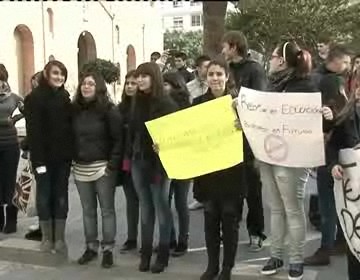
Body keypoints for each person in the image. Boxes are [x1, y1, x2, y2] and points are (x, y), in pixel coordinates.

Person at [258, 41, 318, 280]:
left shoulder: (304, 87)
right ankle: (276, 256)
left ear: (281, 61)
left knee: (292, 209)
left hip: (293, 157)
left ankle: (295, 259)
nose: (270, 60)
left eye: (272, 56)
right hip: (268, 154)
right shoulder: (273, 86)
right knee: (276, 209)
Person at [192, 58, 243, 280]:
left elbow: (253, 137)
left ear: (227, 76)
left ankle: (227, 268)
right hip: (208, 172)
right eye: (211, 74)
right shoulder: (196, 104)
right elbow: (188, 136)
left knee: (230, 222)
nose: (214, 78)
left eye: (219, 74)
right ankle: (212, 266)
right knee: (210, 221)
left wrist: (244, 126)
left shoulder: (238, 104)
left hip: (233, 172)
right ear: (206, 77)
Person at [127, 62, 178, 273]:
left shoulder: (166, 104)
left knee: (162, 208)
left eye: (144, 76)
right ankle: (146, 253)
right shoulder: (136, 102)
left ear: (154, 78)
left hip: (160, 165)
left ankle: (163, 255)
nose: (139, 80)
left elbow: (175, 136)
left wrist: (163, 145)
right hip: (139, 161)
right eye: (138, 76)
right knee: (145, 209)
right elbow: (134, 132)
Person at [305, 45, 352, 266]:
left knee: (328, 202)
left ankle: (327, 247)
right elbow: (339, 115)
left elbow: (334, 117)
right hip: (337, 148)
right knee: (335, 200)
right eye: (347, 62)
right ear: (336, 61)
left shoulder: (324, 80)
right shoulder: (333, 81)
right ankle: (339, 242)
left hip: (328, 148)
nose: (349, 67)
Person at [221, 30, 267, 251]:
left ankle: (256, 232)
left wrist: (246, 121)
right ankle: (230, 230)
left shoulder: (254, 70)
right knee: (230, 187)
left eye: (225, 46)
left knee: (252, 189)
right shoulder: (225, 71)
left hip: (250, 140)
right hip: (228, 136)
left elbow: (260, 102)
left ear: (234, 46)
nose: (222, 51)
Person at [72, 72, 122, 268]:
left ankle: (108, 249)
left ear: (99, 87)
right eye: (84, 83)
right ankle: (90, 247)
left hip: (103, 168)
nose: (86, 87)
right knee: (88, 211)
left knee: (107, 210)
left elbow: (118, 139)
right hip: (80, 168)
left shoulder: (109, 110)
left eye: (91, 84)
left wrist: (112, 166)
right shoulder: (74, 110)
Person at [24, 60, 73, 255]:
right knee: (44, 197)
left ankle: (59, 238)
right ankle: (46, 237)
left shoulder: (65, 97)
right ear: (46, 74)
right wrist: (39, 162)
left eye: (62, 74)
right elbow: (33, 133)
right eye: (55, 73)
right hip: (43, 160)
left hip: (62, 159)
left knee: (61, 197)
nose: (59, 77)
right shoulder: (34, 99)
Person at [329, 88, 360, 280]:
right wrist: (334, 165)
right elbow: (332, 146)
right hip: (352, 195)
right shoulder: (345, 119)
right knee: (355, 242)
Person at [163, 71, 191, 256]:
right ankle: (169, 238)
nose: (163, 87)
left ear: (175, 86)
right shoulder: (158, 105)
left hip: (183, 159)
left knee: (181, 202)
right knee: (164, 201)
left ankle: (183, 239)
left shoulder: (186, 107)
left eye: (166, 84)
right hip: (164, 159)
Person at [0, 64, 24, 234]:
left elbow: (28, 110)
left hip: (10, 145)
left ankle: (12, 220)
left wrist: (15, 118)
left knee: (9, 182)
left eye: (1, 79)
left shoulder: (14, 97)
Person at [118, 70, 140, 253]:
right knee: (131, 201)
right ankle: (132, 238)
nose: (130, 86)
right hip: (126, 161)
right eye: (128, 83)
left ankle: (155, 239)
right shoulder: (120, 108)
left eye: (134, 83)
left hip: (145, 161)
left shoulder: (146, 106)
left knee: (151, 203)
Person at [186, 54, 211, 211]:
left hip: (213, 130)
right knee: (198, 167)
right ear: (198, 68)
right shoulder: (189, 87)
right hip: (196, 130)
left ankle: (212, 197)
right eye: (205, 67)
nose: (209, 70)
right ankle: (199, 198)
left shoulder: (214, 83)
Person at [24, 71, 45, 241]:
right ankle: (43, 224)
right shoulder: (32, 100)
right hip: (37, 154)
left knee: (44, 191)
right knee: (41, 190)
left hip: (45, 155)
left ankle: (44, 226)